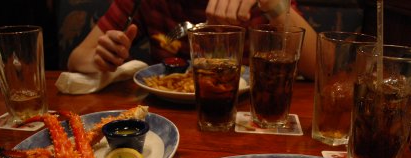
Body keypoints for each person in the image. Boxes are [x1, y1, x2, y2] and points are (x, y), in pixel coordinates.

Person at [67, 0, 317, 79]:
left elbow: (320, 69)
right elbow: (78, 58)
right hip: (169, 121)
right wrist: (104, 59)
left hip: (249, 119)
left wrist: (272, 4)